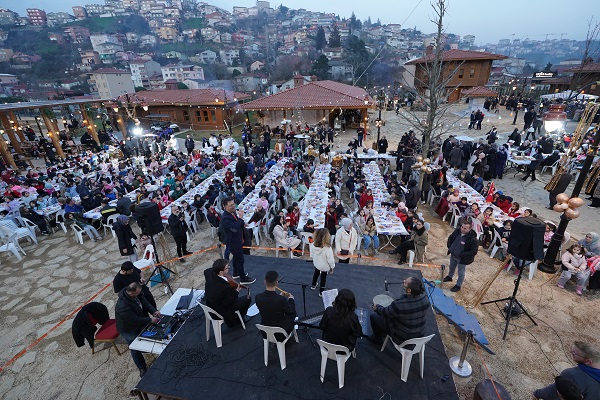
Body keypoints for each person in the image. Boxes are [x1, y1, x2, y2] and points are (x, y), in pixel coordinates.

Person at [115, 282, 161, 378]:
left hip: (139, 322)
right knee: (135, 347)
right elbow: (134, 320)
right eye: (138, 293)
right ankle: (142, 367)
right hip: (128, 329)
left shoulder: (136, 293)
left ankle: (147, 350)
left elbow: (145, 303)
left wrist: (154, 311)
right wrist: (150, 320)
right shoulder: (122, 305)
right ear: (131, 293)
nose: (139, 294)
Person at [369, 276, 430, 346]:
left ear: (409, 290)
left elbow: (385, 313)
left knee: (374, 316)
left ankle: (378, 340)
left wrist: (377, 307)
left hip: (403, 337)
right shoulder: (425, 298)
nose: (403, 281)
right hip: (419, 335)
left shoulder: (400, 304)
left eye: (405, 283)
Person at [533, 341, 600, 400]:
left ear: (588, 361)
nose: (570, 352)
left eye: (574, 354)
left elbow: (552, 392)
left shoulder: (571, 375)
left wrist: (537, 394)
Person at [203, 259, 251, 327]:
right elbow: (229, 302)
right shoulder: (224, 287)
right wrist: (236, 292)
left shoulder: (209, 273)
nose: (228, 268)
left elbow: (206, 271)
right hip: (221, 309)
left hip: (210, 304)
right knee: (247, 299)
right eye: (227, 268)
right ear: (221, 272)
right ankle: (238, 319)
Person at [221, 197, 255, 284]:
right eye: (230, 205)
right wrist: (241, 218)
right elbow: (234, 227)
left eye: (233, 204)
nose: (233, 207)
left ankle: (236, 273)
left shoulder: (232, 212)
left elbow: (237, 222)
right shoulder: (225, 218)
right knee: (240, 259)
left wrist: (243, 223)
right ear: (225, 206)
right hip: (233, 242)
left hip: (239, 239)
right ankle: (243, 278)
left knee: (236, 258)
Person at [255, 270, 296, 337]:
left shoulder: (258, 297)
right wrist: (291, 299)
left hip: (265, 330)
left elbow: (270, 303)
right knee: (293, 313)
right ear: (277, 283)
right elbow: (290, 311)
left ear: (265, 282)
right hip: (280, 332)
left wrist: (279, 297)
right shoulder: (281, 300)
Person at [443, 219, 479, 292]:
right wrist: (450, 247)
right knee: (451, 267)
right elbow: (450, 238)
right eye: (462, 227)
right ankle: (450, 276)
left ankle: (458, 285)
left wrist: (461, 254)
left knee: (461, 273)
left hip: (462, 259)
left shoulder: (473, 239)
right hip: (453, 255)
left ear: (470, 229)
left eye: (465, 228)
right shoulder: (457, 231)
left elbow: (473, 251)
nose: (462, 229)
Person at [310, 228, 335, 296]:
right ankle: (321, 292)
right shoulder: (327, 248)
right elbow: (330, 260)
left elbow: (311, 255)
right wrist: (332, 267)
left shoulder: (312, 245)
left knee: (316, 274)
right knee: (323, 278)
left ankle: (313, 285)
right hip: (324, 267)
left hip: (316, 264)